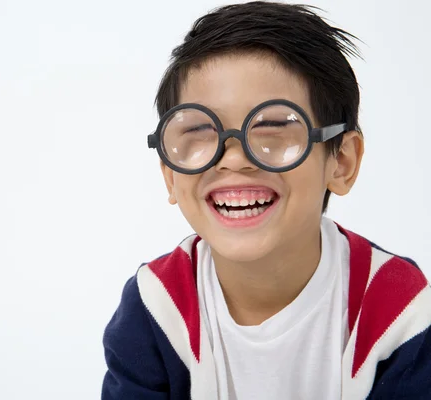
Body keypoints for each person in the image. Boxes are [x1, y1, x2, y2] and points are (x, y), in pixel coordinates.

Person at [100, 2, 431, 399]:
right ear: (170, 174)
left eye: (274, 128)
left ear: (340, 161)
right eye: (200, 132)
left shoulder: (398, 310)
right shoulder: (155, 307)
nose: (234, 159)